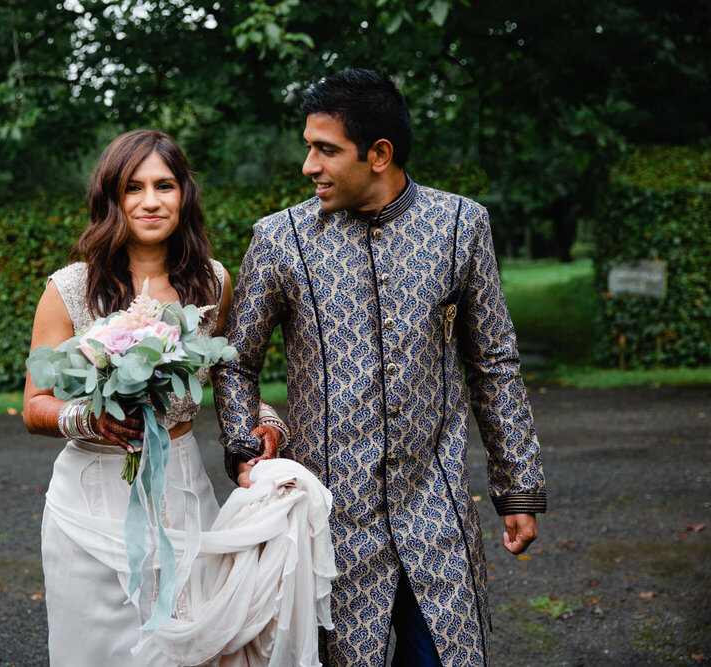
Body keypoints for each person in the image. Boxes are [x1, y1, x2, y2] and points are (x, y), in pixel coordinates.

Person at [212, 68, 547, 667]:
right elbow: (235, 361)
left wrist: (517, 487)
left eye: (326, 149)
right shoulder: (279, 240)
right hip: (330, 526)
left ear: (379, 154)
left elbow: (493, 361)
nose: (309, 165)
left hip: (436, 511)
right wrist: (245, 440)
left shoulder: (459, 226)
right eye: (308, 147)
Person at [23, 129, 315, 665]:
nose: (151, 201)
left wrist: (265, 424)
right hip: (88, 498)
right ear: (112, 198)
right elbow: (34, 405)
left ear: (184, 194)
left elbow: (232, 375)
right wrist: (92, 420)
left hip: (181, 491)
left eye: (165, 185)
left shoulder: (213, 283)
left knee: (187, 649)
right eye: (134, 188)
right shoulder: (68, 288)